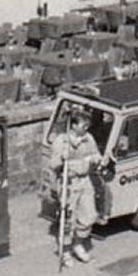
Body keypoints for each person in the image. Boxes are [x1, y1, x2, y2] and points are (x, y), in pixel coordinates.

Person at [40, 107, 105, 264]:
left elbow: (96, 154)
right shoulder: (61, 141)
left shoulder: (88, 138)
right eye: (83, 125)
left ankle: (78, 244)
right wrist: (62, 158)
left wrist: (97, 159)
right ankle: (66, 251)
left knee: (89, 216)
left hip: (85, 181)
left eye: (87, 125)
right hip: (69, 183)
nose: (86, 128)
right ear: (74, 125)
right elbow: (53, 165)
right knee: (68, 219)